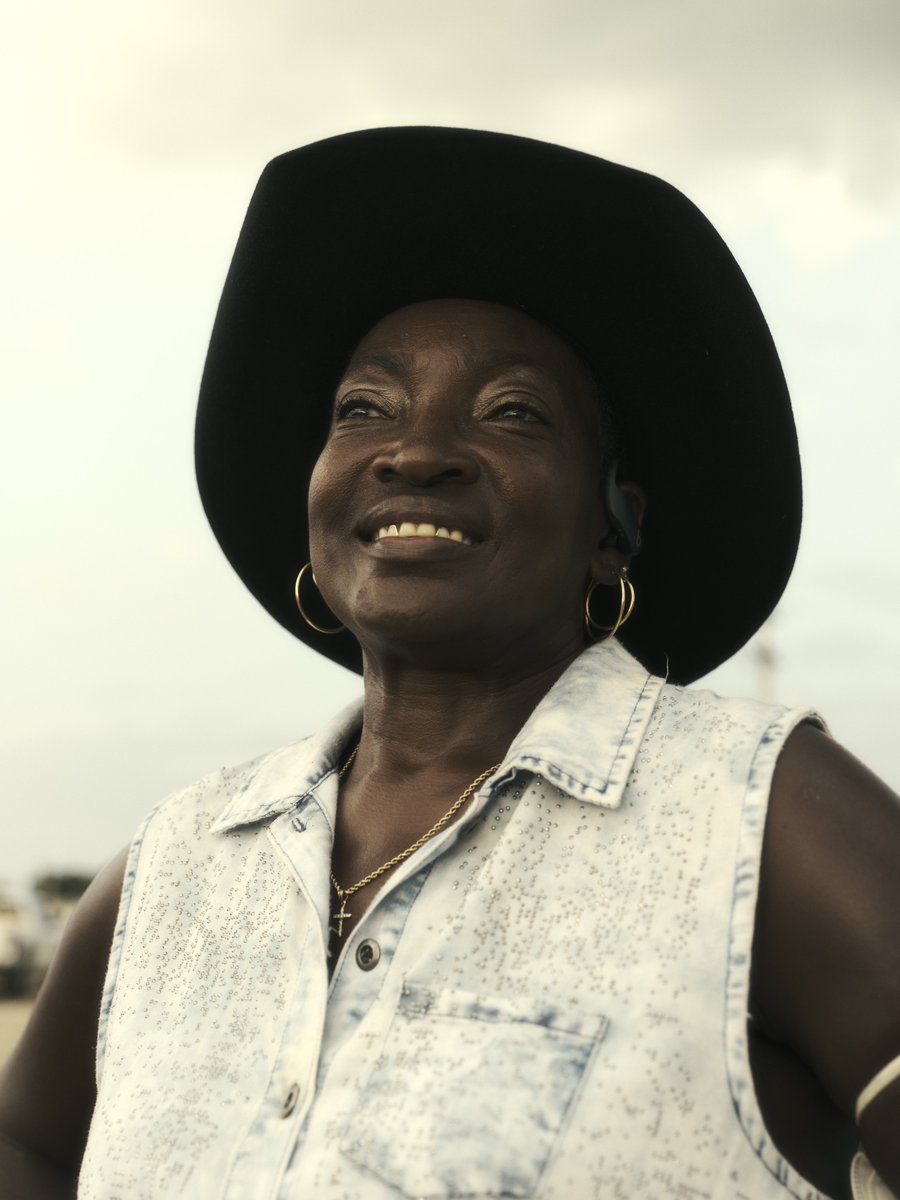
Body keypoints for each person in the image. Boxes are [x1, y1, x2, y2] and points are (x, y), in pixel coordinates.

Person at [1, 127, 898, 1200]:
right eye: (364, 409)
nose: (415, 450)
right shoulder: (176, 868)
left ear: (612, 527)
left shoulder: (760, 821)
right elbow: (32, 1145)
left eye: (511, 412)